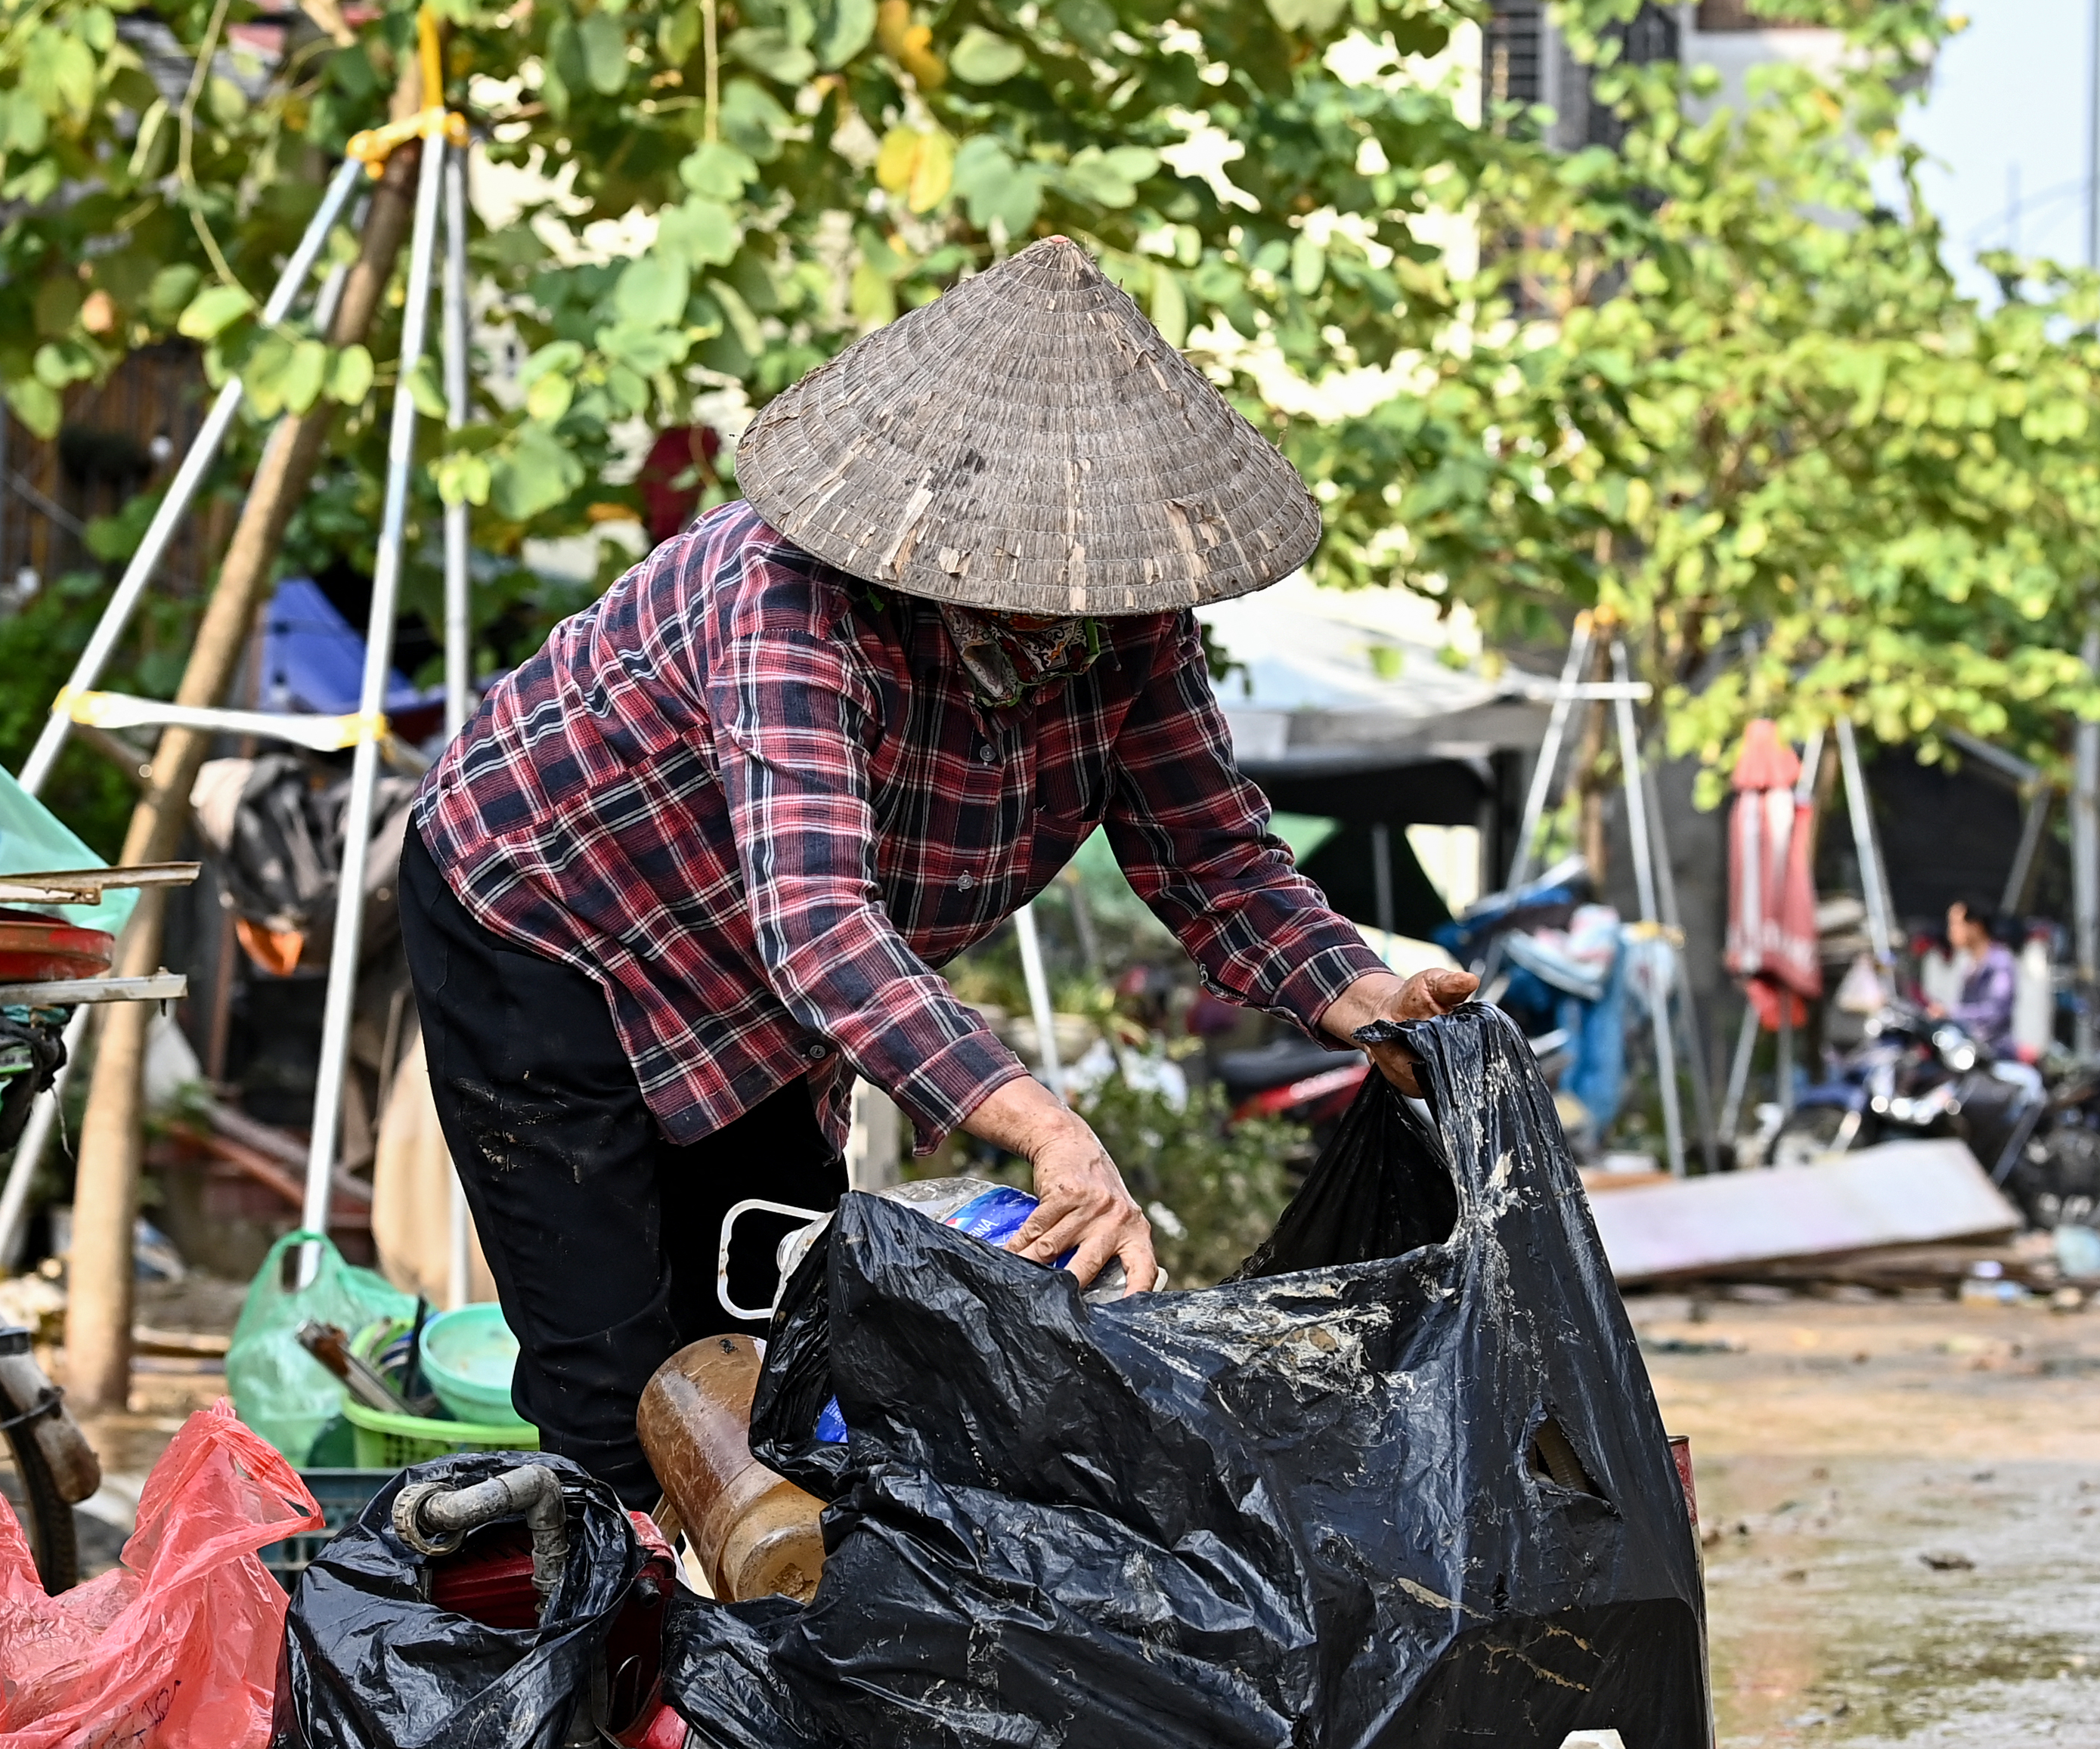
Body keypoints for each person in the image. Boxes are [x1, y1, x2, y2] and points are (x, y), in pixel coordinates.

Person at [404, 236, 1474, 1503]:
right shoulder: (785, 598)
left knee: (775, 1342)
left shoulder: (1124, 626)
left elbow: (1215, 854)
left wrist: (1369, 1001)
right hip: (549, 917)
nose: (1062, 599)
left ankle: (759, 1672)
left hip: (766, 994)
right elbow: (822, 934)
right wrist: (1043, 1126)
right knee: (614, 1384)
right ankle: (620, 1679)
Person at [1943, 900, 2020, 1049]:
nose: (1950, 931)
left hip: (1995, 1055)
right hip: (1969, 1051)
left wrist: (1951, 1014)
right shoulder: (1970, 963)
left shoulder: (1999, 963)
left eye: (1955, 924)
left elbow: (1997, 1012)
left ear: (1976, 927)